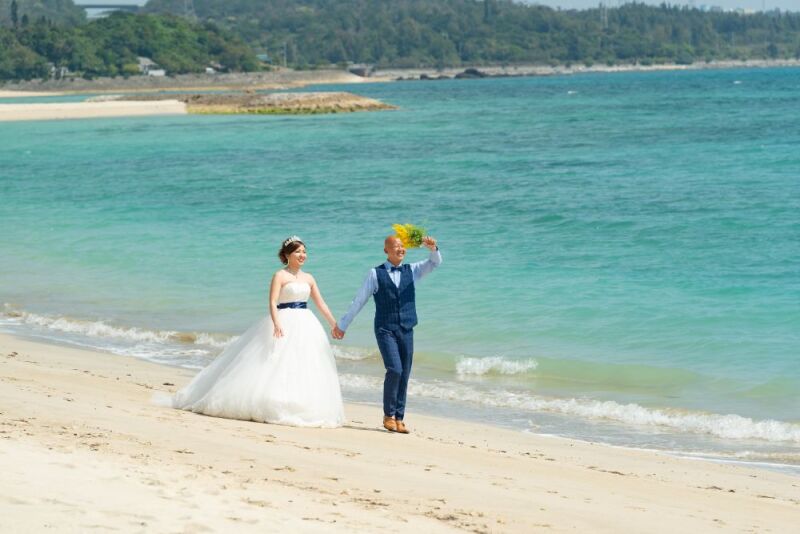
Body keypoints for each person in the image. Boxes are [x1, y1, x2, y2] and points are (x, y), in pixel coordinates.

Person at [172, 236, 345, 428]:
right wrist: (277, 323)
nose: (302, 255)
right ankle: (273, 400)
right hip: (284, 319)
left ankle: (303, 403)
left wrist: (334, 324)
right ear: (287, 255)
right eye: (298, 252)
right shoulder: (280, 275)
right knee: (276, 361)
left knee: (305, 362)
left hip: (306, 322)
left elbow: (321, 304)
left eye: (304, 251)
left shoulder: (309, 278)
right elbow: (272, 301)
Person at [333, 235, 441, 434]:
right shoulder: (375, 274)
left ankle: (399, 418)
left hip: (407, 328)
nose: (400, 249)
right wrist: (342, 325)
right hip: (385, 329)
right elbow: (359, 300)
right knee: (395, 369)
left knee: (405, 373)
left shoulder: (412, 270)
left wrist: (433, 248)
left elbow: (434, 263)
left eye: (402, 246)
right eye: (396, 246)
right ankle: (388, 415)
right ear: (386, 250)